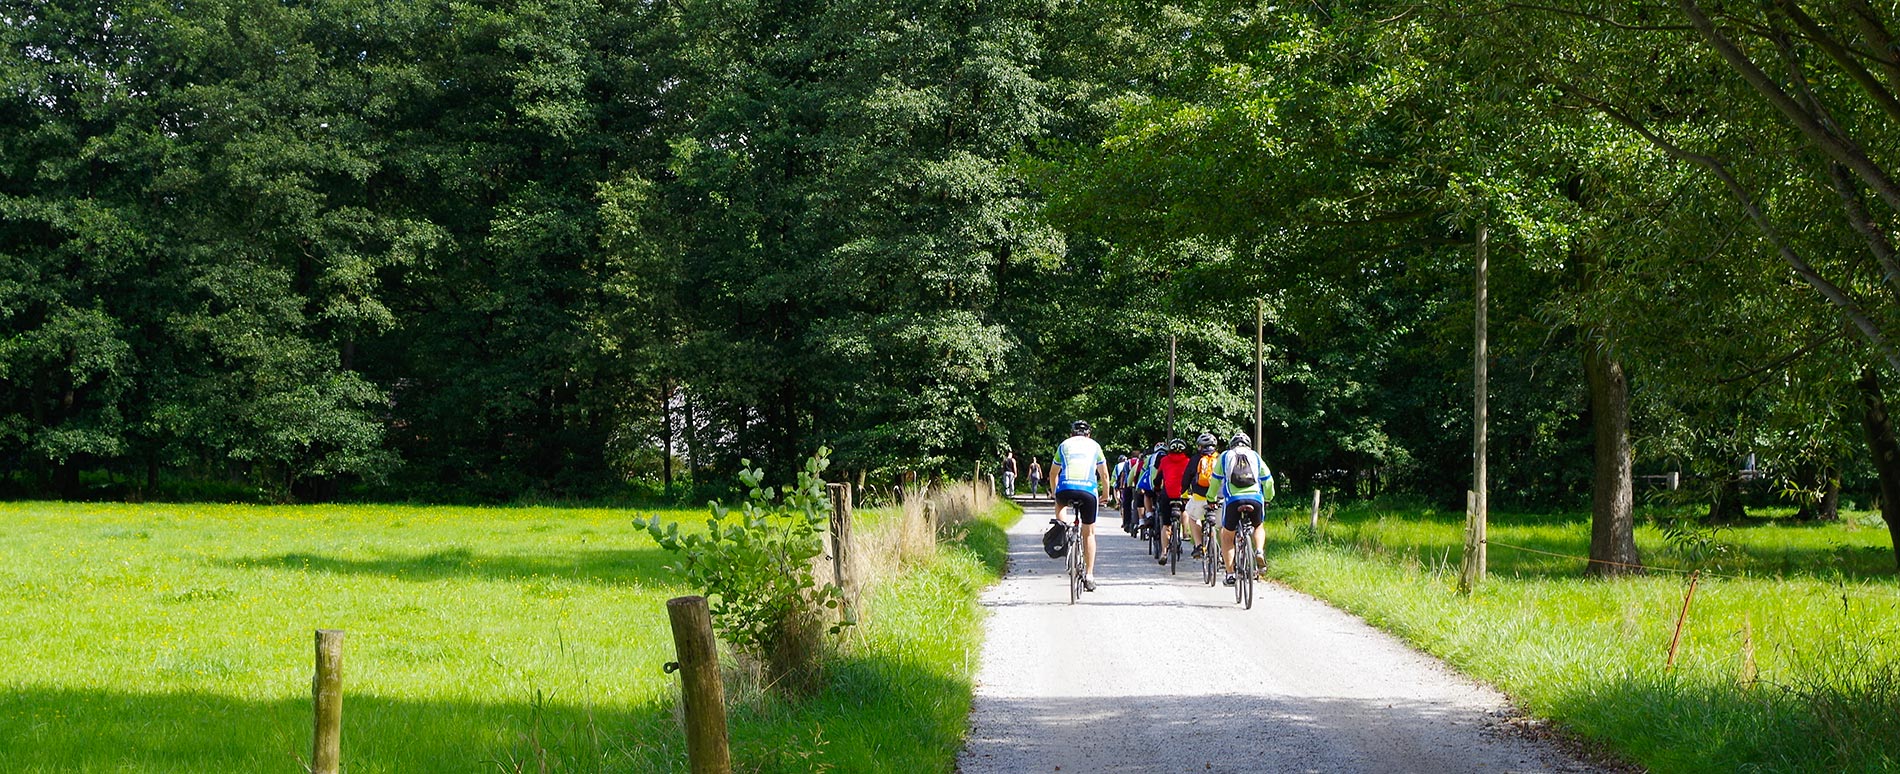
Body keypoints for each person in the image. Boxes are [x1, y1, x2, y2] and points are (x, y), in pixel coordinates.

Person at [1051, 420, 1110, 590]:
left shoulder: (1064, 445)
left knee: (1060, 502)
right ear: (1088, 434)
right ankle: (1090, 576)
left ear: (1071, 434)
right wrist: (1105, 495)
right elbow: (1104, 475)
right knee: (1089, 533)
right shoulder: (1095, 446)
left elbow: (1053, 473)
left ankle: (1063, 528)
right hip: (1088, 491)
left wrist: (1056, 494)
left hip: (1065, 488)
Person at [1211, 432, 1274, 586]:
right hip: (1255, 498)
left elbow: (1215, 480)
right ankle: (1259, 550)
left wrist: (1211, 498)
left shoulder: (1225, 456)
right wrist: (1268, 497)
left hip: (1233, 500)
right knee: (1258, 526)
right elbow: (1267, 479)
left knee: (1227, 536)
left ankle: (1230, 574)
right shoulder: (1255, 456)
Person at [1153, 438, 1193, 565]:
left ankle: (1164, 552)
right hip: (1183, 494)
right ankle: (1185, 532)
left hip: (1167, 495)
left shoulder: (1164, 460)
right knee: (1184, 510)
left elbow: (1158, 478)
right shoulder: (1188, 461)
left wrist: (1157, 488)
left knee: (1166, 525)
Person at [1184, 433, 1220, 558]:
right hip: (1217, 498)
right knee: (1224, 525)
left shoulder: (1195, 459)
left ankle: (1199, 545)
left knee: (1193, 517)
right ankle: (1222, 551)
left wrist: (1183, 492)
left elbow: (1186, 478)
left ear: (1200, 447)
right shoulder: (1221, 458)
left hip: (1199, 497)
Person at [1111, 454, 1135, 532]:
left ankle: (1117, 502)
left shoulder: (1119, 465)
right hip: (1136, 485)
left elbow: (1119, 476)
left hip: (1125, 484)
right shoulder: (1138, 462)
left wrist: (1118, 485)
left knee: (1125, 503)